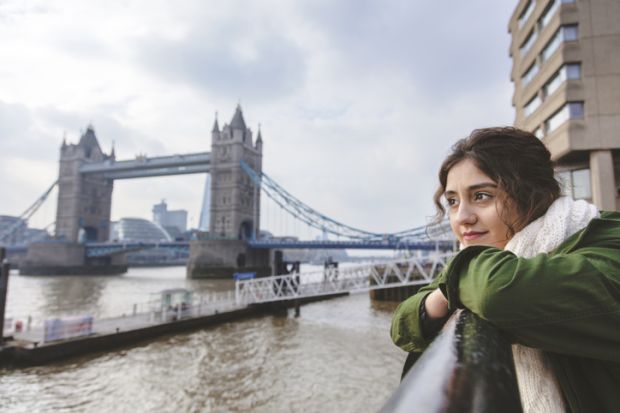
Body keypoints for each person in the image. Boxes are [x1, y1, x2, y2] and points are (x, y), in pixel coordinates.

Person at [390, 127, 620, 412]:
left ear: (532, 193)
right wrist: (442, 294)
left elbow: (496, 292)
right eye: (452, 201)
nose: (462, 217)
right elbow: (403, 323)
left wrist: (453, 282)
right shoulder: (481, 260)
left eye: (482, 196)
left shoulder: (610, 242)